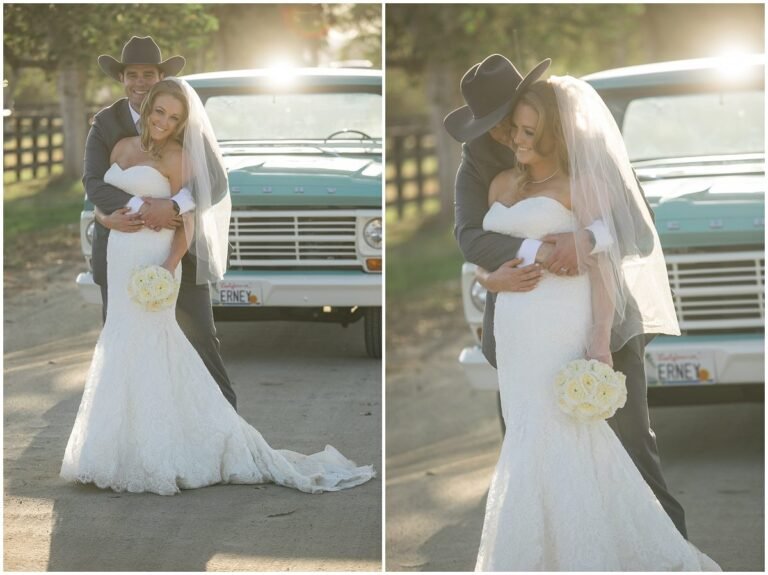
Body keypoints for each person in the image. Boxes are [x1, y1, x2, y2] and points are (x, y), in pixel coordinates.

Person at [445, 55, 720, 570]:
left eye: (508, 120)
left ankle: (667, 555)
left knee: (633, 448)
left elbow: (636, 228)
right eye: (493, 125)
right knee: (538, 456)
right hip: (522, 332)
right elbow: (469, 236)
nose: (506, 135)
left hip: (601, 325)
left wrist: (585, 238)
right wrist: (529, 258)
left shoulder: (578, 139)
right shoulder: (478, 158)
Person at [61, 75, 375, 496]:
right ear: (148, 107)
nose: (164, 121)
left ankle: (174, 447)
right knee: (119, 347)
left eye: (173, 118)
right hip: (119, 260)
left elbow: (188, 218)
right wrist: (107, 217)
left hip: (154, 264)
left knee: (160, 348)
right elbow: (97, 190)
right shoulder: (116, 143)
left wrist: (167, 267)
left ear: (181, 123)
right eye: (159, 112)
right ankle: (114, 451)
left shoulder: (179, 157)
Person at [82, 36, 236, 410]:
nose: (139, 82)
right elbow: (93, 183)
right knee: (124, 341)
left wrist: (173, 205)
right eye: (131, 75)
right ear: (122, 78)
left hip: (179, 249)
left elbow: (213, 182)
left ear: (160, 76)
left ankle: (227, 422)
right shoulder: (106, 123)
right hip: (121, 249)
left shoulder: (180, 116)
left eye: (147, 74)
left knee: (200, 336)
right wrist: (140, 206)